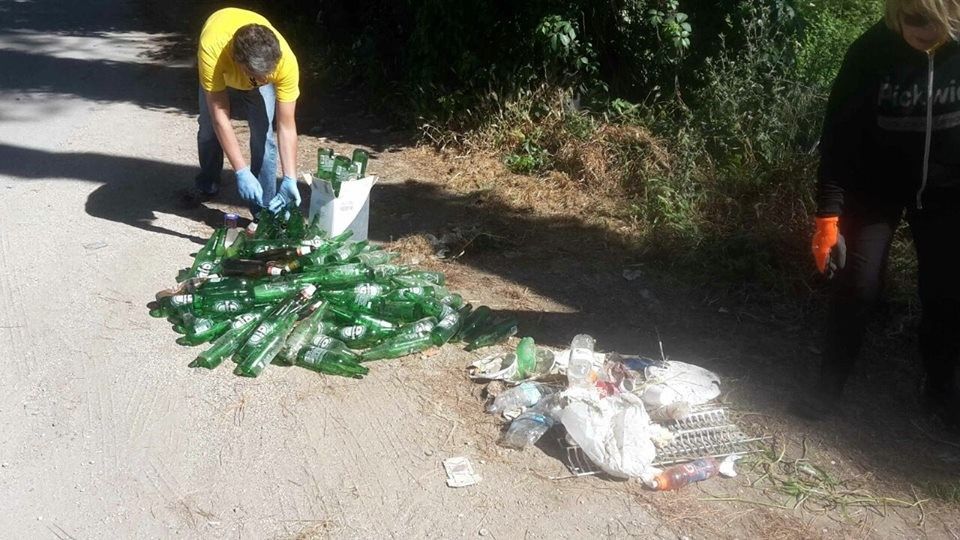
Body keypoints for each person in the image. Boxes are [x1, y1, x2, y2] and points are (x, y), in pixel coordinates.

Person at [809, 0, 960, 426]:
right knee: (857, 285)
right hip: (874, 190)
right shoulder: (869, 52)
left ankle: (941, 389)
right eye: (913, 18)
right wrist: (827, 218)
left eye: (935, 22)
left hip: (948, 192)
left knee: (947, 293)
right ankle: (828, 385)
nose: (924, 30)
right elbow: (837, 140)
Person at [194, 7, 302, 216]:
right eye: (259, 75)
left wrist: (290, 177)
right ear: (237, 62)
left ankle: (264, 211)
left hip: (255, 64)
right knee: (208, 130)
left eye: (269, 73)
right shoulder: (212, 51)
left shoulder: (285, 61)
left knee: (264, 137)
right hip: (221, 63)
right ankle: (208, 183)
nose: (266, 79)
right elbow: (220, 117)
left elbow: (286, 126)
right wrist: (241, 170)